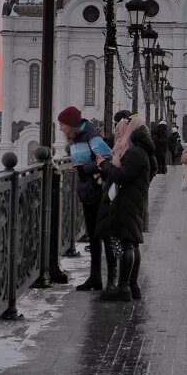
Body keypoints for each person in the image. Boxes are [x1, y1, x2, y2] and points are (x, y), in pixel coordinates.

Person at [95, 115, 154, 301]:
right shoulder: (139, 150)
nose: (118, 134)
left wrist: (104, 165)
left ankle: (123, 288)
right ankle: (131, 285)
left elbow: (124, 175)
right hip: (132, 199)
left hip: (127, 200)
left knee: (127, 243)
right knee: (131, 242)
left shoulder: (135, 152)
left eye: (121, 131)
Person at [57, 106, 111, 292]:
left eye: (63, 125)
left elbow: (105, 157)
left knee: (103, 234)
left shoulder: (90, 135)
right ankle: (95, 278)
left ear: (72, 125)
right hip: (87, 190)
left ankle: (110, 279)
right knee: (94, 235)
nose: (60, 129)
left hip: (96, 190)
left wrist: (83, 169)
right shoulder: (75, 138)